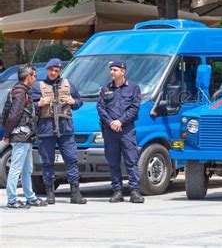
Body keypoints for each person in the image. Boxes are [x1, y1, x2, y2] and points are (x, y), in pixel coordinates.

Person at [32, 58, 87, 205]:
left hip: (65, 130)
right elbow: (29, 106)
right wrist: (39, 103)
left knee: (71, 160)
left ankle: (75, 193)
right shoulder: (38, 86)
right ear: (47, 70)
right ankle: (50, 193)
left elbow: (79, 101)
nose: (53, 72)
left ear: (59, 71)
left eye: (56, 70)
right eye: (51, 70)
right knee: (47, 162)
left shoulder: (68, 84)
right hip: (46, 130)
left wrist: (73, 101)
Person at [97, 61, 144, 203]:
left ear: (123, 71)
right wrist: (111, 122)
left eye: (115, 70)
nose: (112, 72)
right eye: (111, 70)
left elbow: (134, 108)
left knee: (131, 160)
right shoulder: (105, 88)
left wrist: (120, 121)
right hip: (110, 130)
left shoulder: (134, 87)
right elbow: (100, 108)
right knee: (113, 162)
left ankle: (134, 191)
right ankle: (117, 191)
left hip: (126, 130)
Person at [4, 64, 47, 209]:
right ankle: (12, 199)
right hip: (20, 135)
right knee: (16, 168)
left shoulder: (22, 91)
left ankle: (30, 197)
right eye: (34, 76)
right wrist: (7, 134)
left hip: (26, 136)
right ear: (28, 77)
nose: (35, 78)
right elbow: (14, 115)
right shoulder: (20, 93)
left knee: (27, 168)